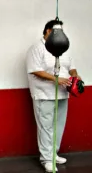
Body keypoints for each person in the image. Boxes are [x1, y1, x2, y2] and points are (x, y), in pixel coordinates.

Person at [25, 19, 81, 172]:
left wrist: (76, 77)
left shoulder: (64, 49)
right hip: (44, 94)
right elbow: (35, 70)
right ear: (48, 31)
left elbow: (71, 68)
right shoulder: (36, 49)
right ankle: (46, 159)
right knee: (46, 127)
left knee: (58, 125)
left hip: (63, 93)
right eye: (58, 32)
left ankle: (53, 154)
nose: (61, 35)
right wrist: (57, 79)